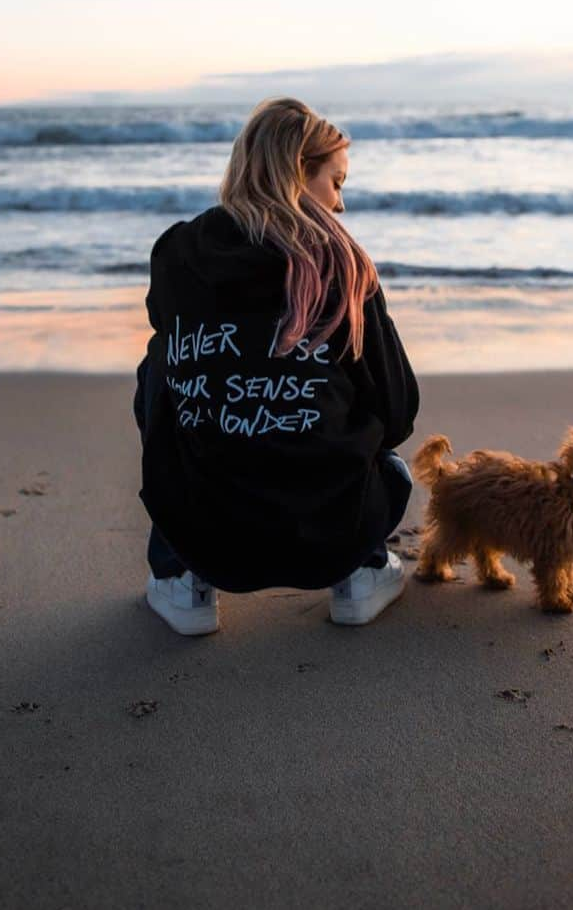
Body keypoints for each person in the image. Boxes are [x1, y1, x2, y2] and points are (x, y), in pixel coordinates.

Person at [132, 96, 420, 636]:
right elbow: (399, 411)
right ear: (297, 174)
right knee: (375, 415)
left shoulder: (177, 254)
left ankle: (181, 580)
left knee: (159, 364)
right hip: (331, 537)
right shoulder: (343, 265)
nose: (340, 206)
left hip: (207, 536)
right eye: (336, 183)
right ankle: (363, 573)